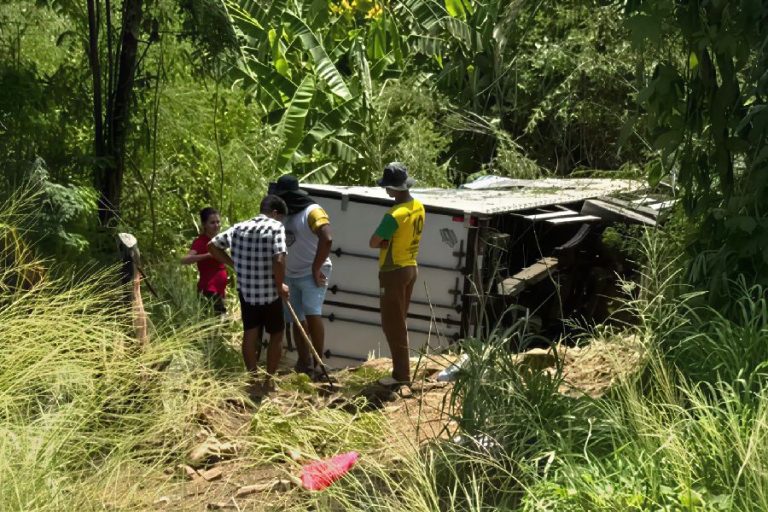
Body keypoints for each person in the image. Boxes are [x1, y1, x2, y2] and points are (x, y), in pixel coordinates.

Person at [208, 196, 289, 392]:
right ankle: (269, 381)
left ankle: (253, 381)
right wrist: (280, 286)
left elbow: (212, 245)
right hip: (270, 294)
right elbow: (279, 259)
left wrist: (233, 264)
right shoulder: (276, 227)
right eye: (280, 217)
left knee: (250, 334)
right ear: (275, 213)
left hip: (247, 293)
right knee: (277, 334)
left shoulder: (239, 228)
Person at [368, 162, 426, 390]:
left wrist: (384, 242)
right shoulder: (418, 206)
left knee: (392, 325)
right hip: (411, 267)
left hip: (393, 271)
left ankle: (401, 376)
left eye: (387, 187)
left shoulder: (394, 214)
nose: (386, 190)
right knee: (400, 321)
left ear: (393, 188)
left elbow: (373, 242)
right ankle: (402, 372)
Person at [273, 175, 333, 378]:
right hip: (291, 274)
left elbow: (327, 238)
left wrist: (316, 268)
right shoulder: (285, 215)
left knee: (312, 313)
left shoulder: (312, 211)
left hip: (312, 272)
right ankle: (303, 362)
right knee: (296, 318)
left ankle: (319, 364)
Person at [181, 207, 228, 315]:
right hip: (208, 289)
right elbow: (184, 260)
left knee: (220, 319)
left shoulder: (219, 240)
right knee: (218, 320)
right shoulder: (200, 242)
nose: (216, 225)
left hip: (219, 289)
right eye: (212, 222)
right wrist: (208, 255)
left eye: (218, 222)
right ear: (204, 225)